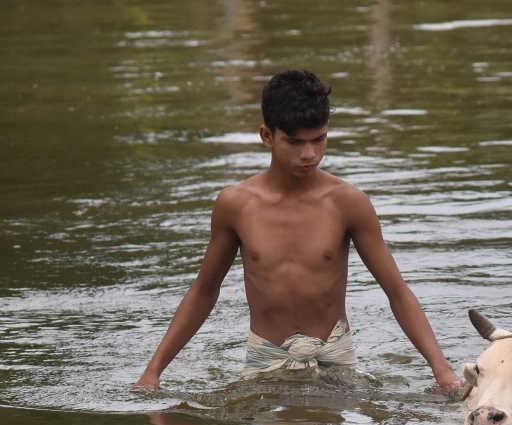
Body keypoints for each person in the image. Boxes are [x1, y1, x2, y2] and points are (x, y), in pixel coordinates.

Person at [133, 69, 462, 391]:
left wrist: (442, 370)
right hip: (265, 359)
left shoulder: (348, 202)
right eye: (295, 142)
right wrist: (153, 372)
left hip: (334, 356)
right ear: (267, 136)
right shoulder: (236, 204)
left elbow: (397, 291)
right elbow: (204, 291)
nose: (310, 154)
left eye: (319, 139)